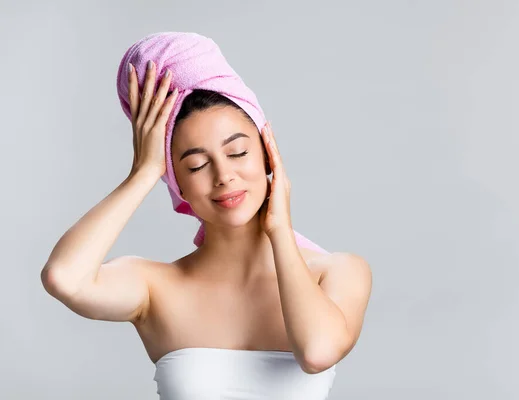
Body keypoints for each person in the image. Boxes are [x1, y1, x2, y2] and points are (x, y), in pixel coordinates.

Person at [41, 33, 372, 400]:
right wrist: (144, 173)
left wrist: (279, 230)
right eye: (196, 165)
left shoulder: (337, 271)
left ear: (266, 151)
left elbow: (316, 352)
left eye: (238, 152)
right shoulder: (154, 287)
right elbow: (63, 278)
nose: (223, 176)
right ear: (176, 183)